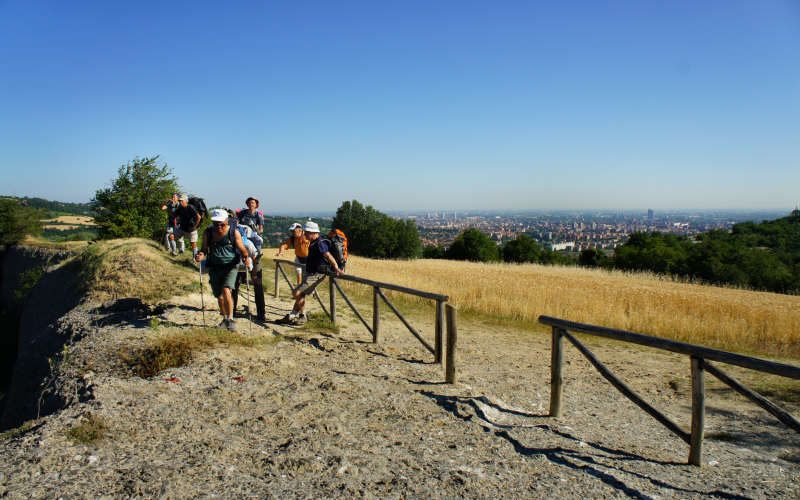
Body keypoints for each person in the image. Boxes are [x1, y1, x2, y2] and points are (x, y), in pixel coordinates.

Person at [195, 209, 252, 331]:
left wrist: (246, 258)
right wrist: (200, 255)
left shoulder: (233, 233)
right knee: (219, 297)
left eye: (222, 224)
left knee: (226, 290)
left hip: (230, 266)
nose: (219, 226)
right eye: (216, 224)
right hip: (214, 267)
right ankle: (225, 319)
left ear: (227, 221)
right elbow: (204, 248)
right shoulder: (208, 233)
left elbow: (242, 249)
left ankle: (230, 320)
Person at [277, 220, 343, 325]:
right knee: (301, 294)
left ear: (313, 233)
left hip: (316, 274)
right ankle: (292, 315)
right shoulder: (313, 242)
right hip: (311, 272)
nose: (305, 234)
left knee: (296, 292)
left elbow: (328, 255)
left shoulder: (320, 243)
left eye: (307, 232)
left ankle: (303, 316)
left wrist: (336, 267)